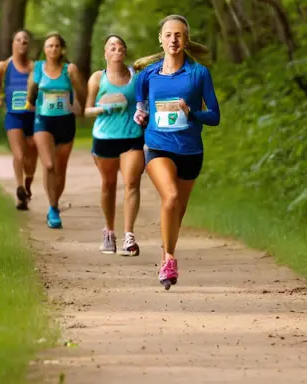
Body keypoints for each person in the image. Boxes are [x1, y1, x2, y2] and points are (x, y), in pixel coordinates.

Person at [133, 15, 220, 290]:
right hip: (158, 146)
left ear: (186, 39)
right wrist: (140, 114)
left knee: (177, 212)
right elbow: (141, 105)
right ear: (160, 38)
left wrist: (191, 112)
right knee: (169, 197)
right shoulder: (147, 75)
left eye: (179, 35)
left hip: (191, 151)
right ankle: (170, 258)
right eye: (169, 35)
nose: (173, 40)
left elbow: (215, 116)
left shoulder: (198, 74)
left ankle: (165, 259)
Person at [84, 35, 144, 256]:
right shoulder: (97, 78)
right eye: (112, 47)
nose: (117, 50)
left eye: (120, 47)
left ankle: (129, 236)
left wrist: (143, 114)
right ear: (106, 53)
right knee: (109, 186)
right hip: (105, 138)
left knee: (131, 183)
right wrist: (106, 107)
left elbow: (143, 104)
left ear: (125, 52)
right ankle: (109, 231)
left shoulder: (136, 77)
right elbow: (86, 110)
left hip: (132, 136)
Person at [26, 32, 87, 229]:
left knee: (60, 168)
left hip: (66, 122)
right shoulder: (37, 68)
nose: (53, 49)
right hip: (43, 121)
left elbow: (82, 91)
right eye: (49, 46)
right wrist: (29, 105)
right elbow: (31, 91)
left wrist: (81, 106)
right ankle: (53, 208)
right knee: (49, 165)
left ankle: (55, 203)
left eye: (56, 46)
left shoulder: (70, 70)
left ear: (62, 49)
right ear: (44, 49)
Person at [0, 29, 38, 210]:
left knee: (32, 158)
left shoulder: (36, 68)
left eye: (25, 40)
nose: (22, 43)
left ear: (29, 45)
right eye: (18, 40)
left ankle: (27, 183)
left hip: (33, 116)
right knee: (19, 155)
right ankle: (19, 191)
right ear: (13, 43)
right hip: (14, 116)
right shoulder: (3, 66)